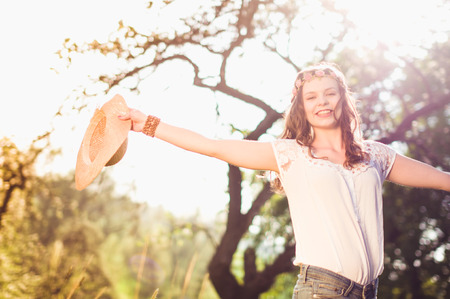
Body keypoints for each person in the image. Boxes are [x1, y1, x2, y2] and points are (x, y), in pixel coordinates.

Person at [118, 62, 450, 299]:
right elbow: (213, 147)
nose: (322, 102)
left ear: (343, 99)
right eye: (312, 97)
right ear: (302, 108)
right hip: (322, 290)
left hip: (368, 292)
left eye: (330, 93)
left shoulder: (376, 155)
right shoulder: (291, 155)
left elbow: (441, 178)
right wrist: (146, 123)